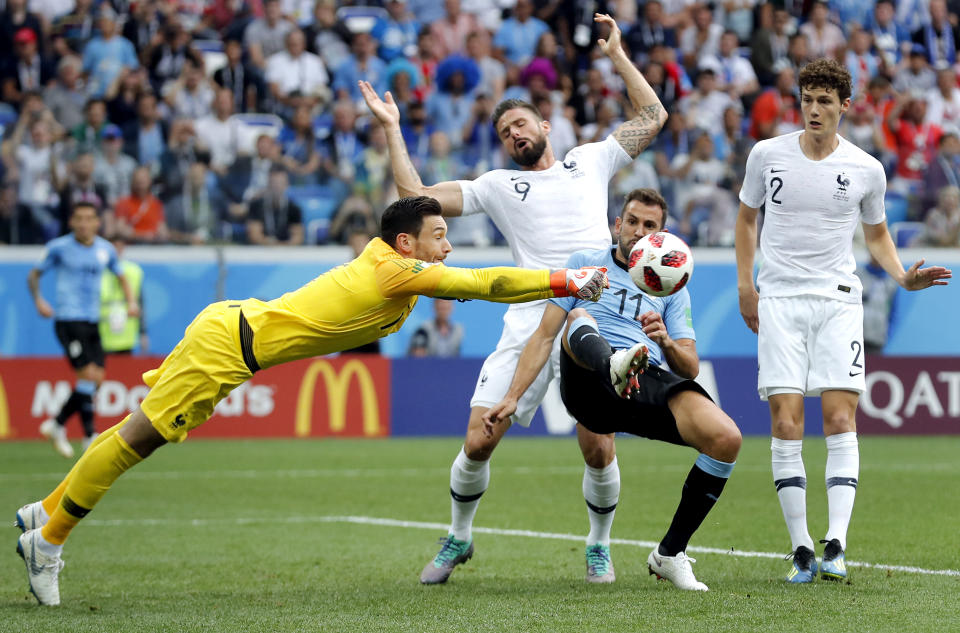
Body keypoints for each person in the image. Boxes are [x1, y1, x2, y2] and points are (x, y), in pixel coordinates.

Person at [13, 195, 610, 607]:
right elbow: (486, 284)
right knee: (136, 440)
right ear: (406, 242)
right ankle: (49, 542)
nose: (449, 245)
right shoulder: (398, 272)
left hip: (232, 332)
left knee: (133, 433)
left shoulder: (394, 258)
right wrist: (565, 279)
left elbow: (446, 252)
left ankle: (47, 509)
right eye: (440, 235)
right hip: (228, 347)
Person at [362, 13, 668, 585]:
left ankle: (599, 546)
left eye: (522, 125)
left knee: (598, 447)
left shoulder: (589, 160)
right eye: (506, 132)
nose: (515, 135)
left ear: (546, 126)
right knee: (479, 438)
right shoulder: (499, 185)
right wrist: (392, 129)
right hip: (532, 311)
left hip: (594, 311)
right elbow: (416, 196)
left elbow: (652, 115)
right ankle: (458, 536)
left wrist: (618, 56)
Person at [735, 58, 951, 584]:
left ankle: (837, 544)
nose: (813, 109)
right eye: (807, 99)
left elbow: (876, 234)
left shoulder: (866, 168)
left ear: (844, 107)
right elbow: (746, 219)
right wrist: (747, 285)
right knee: (786, 421)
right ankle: (801, 547)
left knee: (839, 420)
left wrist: (901, 276)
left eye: (824, 101)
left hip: (837, 301)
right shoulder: (767, 155)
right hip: (781, 299)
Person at [485, 188, 741, 590]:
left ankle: (670, 554)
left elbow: (689, 366)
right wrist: (513, 396)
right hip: (588, 376)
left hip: (644, 378)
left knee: (726, 438)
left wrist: (667, 341)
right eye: (633, 221)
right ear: (617, 225)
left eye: (650, 225)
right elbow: (543, 336)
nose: (639, 231)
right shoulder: (585, 264)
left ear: (661, 234)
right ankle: (614, 364)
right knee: (580, 314)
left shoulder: (671, 285)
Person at [27, 202, 140, 460]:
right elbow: (33, 275)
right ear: (71, 222)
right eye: (79, 218)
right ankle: (90, 436)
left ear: (97, 223)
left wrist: (131, 302)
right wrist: (39, 301)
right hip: (68, 320)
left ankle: (57, 424)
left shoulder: (105, 250)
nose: (84, 224)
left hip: (92, 321)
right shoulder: (59, 248)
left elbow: (121, 276)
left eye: (89, 218)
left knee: (96, 379)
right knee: (88, 374)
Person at [99, 235, 147, 355]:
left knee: (123, 371)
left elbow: (140, 302)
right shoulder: (97, 270)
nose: (116, 250)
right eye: (113, 246)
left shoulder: (133, 270)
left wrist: (143, 332)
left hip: (126, 333)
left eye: (119, 246)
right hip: (100, 332)